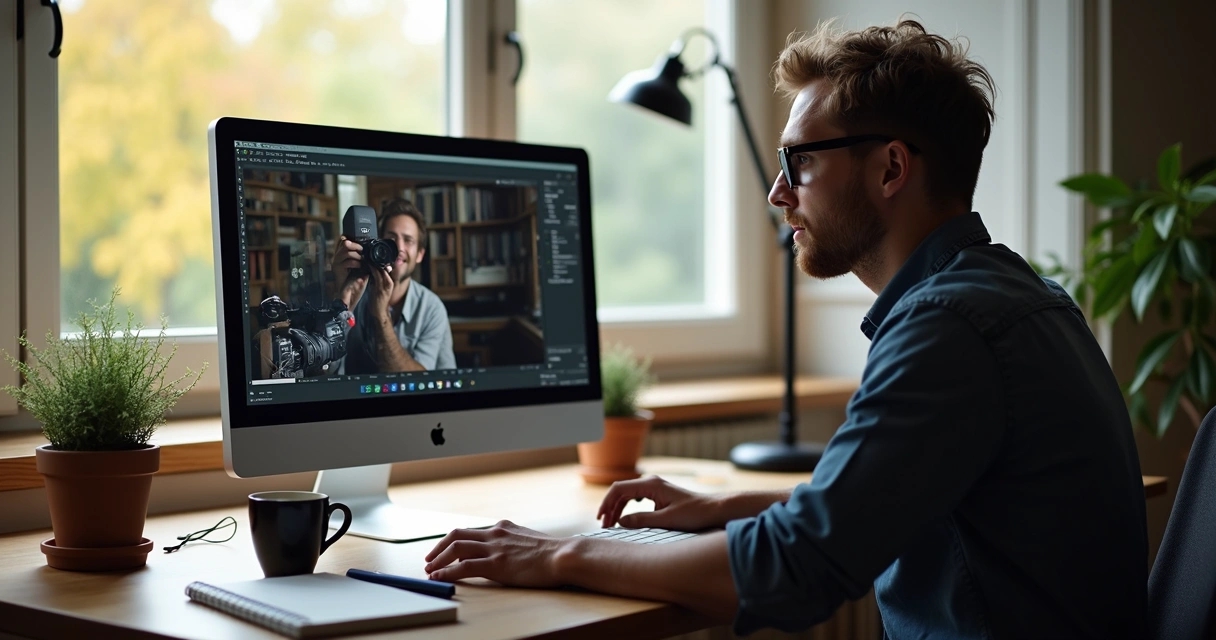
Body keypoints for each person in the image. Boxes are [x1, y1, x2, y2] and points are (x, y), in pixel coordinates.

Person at [423, 19, 1148, 639]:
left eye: (799, 161)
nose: (777, 193)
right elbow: (892, 502)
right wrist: (727, 507)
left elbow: (795, 569)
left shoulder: (947, 326)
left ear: (891, 167)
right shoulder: (1016, 296)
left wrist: (557, 556)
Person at [331, 198, 456, 373]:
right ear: (377, 243)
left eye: (408, 240)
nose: (399, 248)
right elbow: (326, 372)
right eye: (391, 238)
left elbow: (419, 381)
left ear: (420, 254)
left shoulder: (431, 308)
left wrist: (381, 315)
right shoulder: (355, 291)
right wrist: (341, 303)